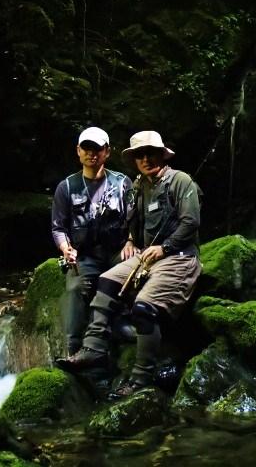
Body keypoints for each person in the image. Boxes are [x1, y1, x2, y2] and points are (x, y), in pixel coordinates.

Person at [56, 130, 202, 397]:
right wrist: (132, 240)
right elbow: (133, 222)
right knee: (107, 280)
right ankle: (94, 348)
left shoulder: (181, 181)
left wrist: (165, 247)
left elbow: (191, 222)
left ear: (162, 154)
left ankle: (140, 378)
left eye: (151, 153)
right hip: (146, 256)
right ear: (135, 160)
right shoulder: (138, 186)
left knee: (143, 309)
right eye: (140, 155)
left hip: (179, 258)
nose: (146, 159)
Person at [51, 126, 133, 355]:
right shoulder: (66, 187)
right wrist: (65, 248)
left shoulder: (122, 183)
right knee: (76, 287)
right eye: (86, 148)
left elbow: (137, 217)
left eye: (97, 148)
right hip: (85, 256)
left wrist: (131, 241)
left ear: (107, 152)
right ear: (78, 151)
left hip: (118, 251)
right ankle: (73, 347)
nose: (91, 153)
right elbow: (58, 228)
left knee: (134, 273)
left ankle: (123, 324)